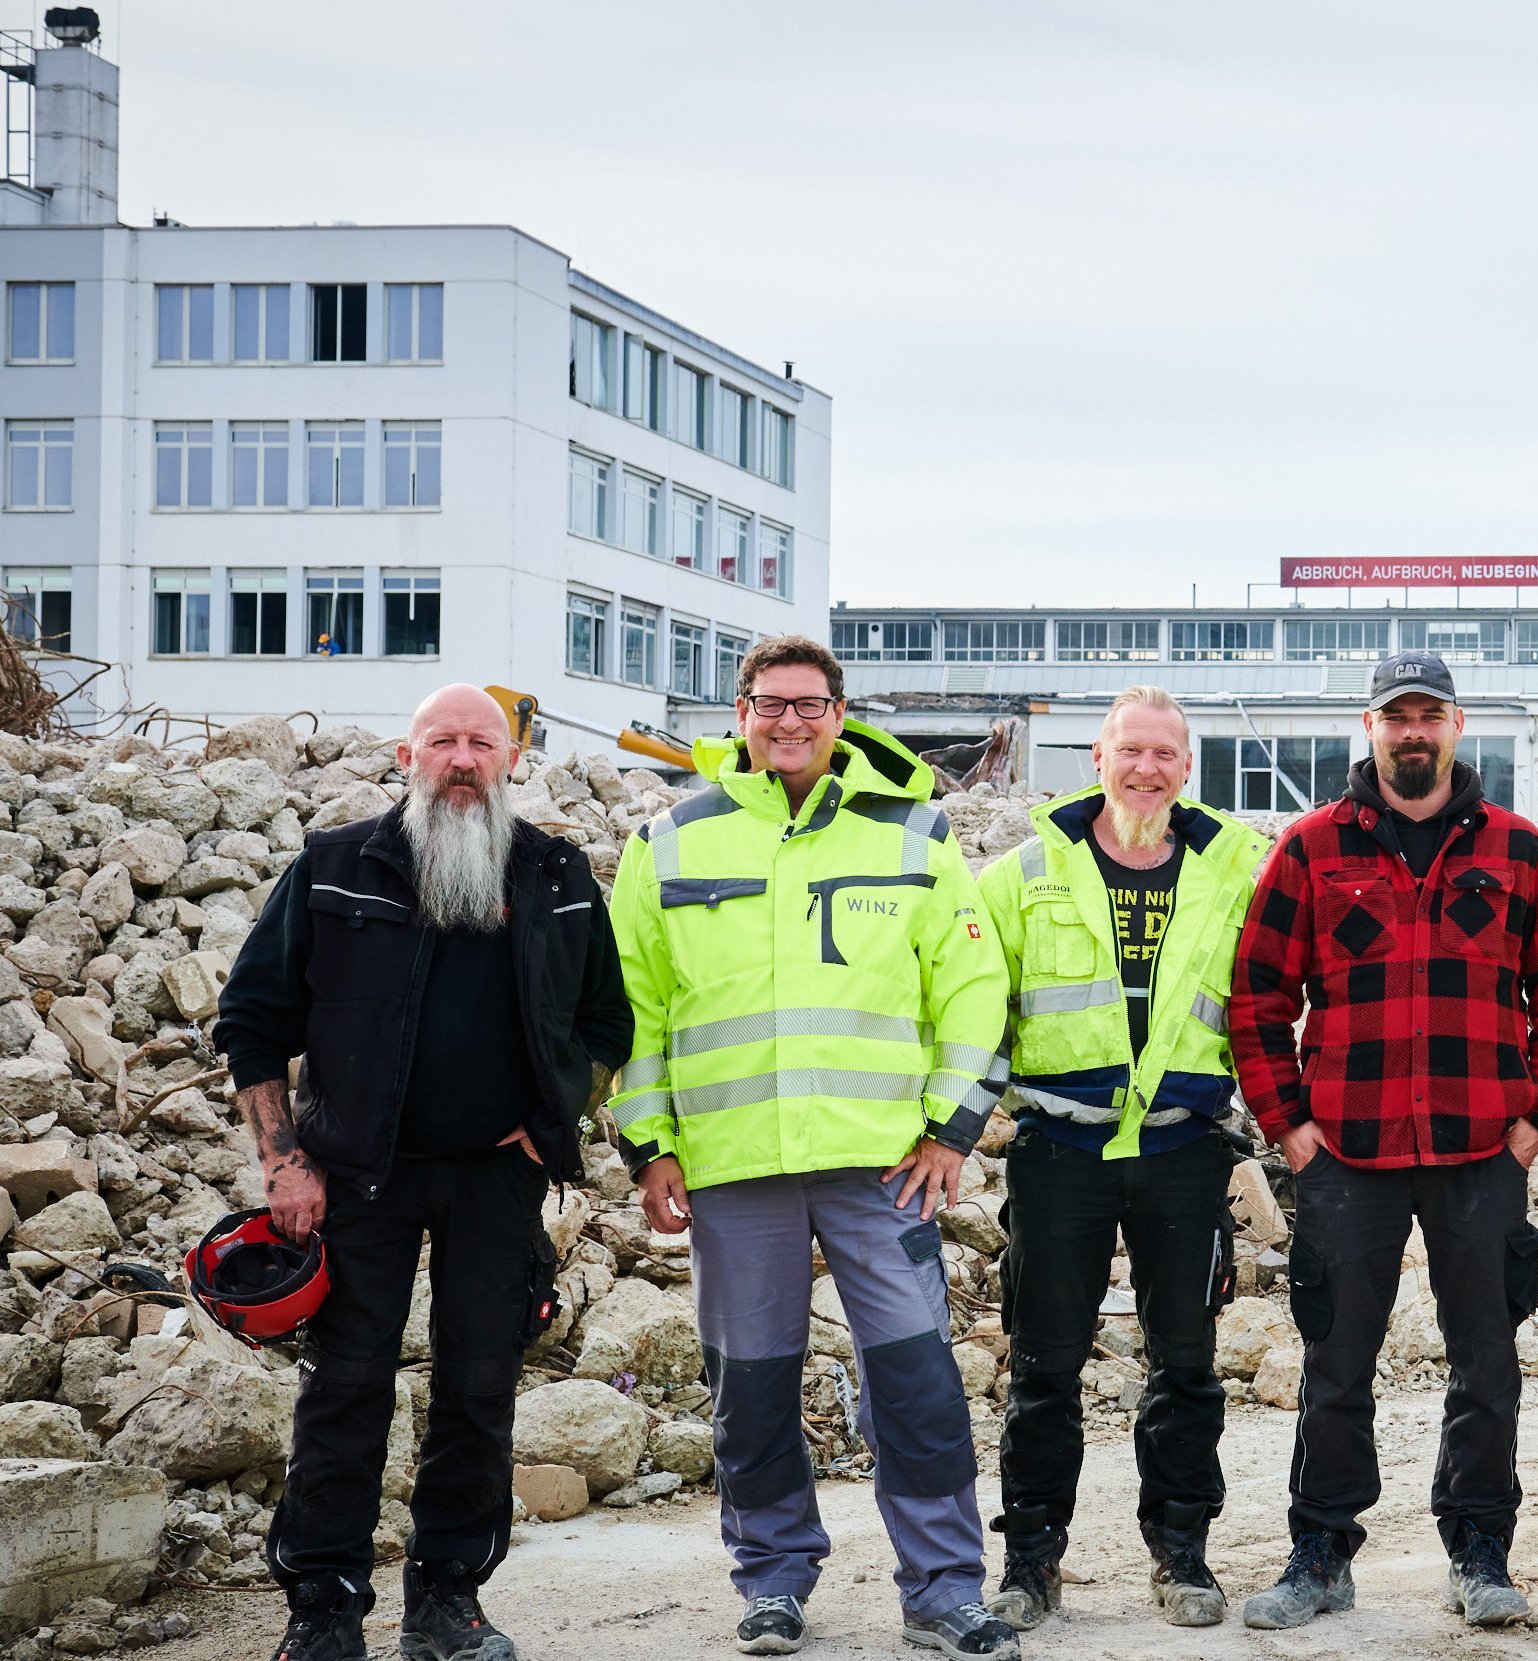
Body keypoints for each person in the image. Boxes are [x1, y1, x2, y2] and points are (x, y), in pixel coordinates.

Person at [604, 636, 1019, 1659]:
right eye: (769, 703)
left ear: (840, 714)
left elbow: (971, 993)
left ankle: (942, 1588)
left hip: (883, 1164)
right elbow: (632, 1012)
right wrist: (649, 1144)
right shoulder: (671, 842)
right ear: (738, 713)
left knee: (917, 1382)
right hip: (733, 1165)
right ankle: (773, 1577)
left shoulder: (912, 833)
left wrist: (947, 1127)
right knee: (750, 1386)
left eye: (810, 704)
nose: (789, 721)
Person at [216, 684, 633, 1661]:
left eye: (479, 741)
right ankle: (322, 1606)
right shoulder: (335, 864)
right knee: (344, 1385)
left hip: (497, 1178)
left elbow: (607, 1023)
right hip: (357, 1172)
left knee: (478, 1384)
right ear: (409, 756)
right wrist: (283, 1159)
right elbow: (253, 1017)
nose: (460, 756)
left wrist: (550, 1122)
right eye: (440, 739)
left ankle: (448, 1599)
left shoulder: (557, 872)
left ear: (510, 758)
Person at [1228, 649, 1538, 1633]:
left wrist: (1536, 1121)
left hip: (1482, 1151)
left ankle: (1478, 1551)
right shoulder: (1311, 849)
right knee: (1336, 1361)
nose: (1414, 730)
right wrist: (1289, 1126)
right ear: (1371, 727)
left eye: (1431, 714)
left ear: (1457, 727)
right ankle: (1319, 1554)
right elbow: (1257, 996)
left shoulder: (1518, 850)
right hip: (1346, 1152)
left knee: (1486, 1361)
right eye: (1398, 715)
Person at [974, 686, 1268, 1631]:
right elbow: (978, 1012)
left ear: (1189, 767)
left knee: (1186, 1365)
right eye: (1129, 750)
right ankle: (1030, 1560)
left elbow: (1276, 1002)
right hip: (1062, 1149)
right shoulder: (1020, 876)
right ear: (1096, 759)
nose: (1146, 768)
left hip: (1185, 1150)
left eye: (1165, 754)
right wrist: (951, 1129)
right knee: (1044, 1368)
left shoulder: (1239, 873)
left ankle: (1182, 1552)